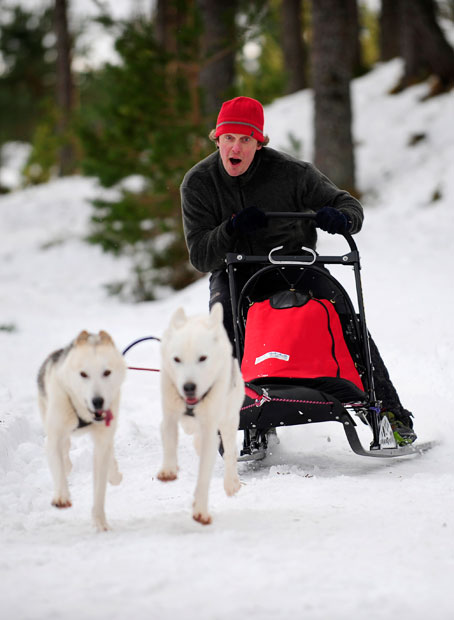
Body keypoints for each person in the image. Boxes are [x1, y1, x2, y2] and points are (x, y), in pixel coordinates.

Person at [180, 96, 416, 445]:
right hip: (236, 268)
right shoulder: (199, 183)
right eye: (229, 138)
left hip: (295, 263)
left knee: (344, 316)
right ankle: (238, 416)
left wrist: (341, 218)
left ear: (259, 144)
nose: (236, 147)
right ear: (217, 139)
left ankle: (387, 412)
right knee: (227, 324)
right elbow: (200, 256)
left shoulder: (292, 173)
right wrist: (231, 229)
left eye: (246, 140)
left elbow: (348, 205)